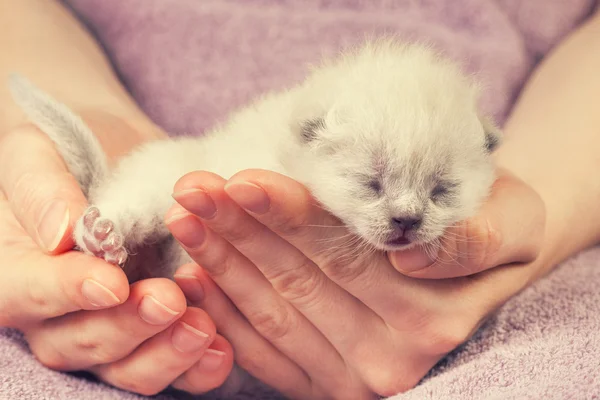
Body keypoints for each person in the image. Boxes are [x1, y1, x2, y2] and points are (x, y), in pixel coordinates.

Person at [0, 0, 599, 398]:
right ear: (310, 141)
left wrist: (532, 224)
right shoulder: (275, 148)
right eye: (371, 185)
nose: (409, 216)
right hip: (146, 310)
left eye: (443, 190)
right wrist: (98, 139)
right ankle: (115, 228)